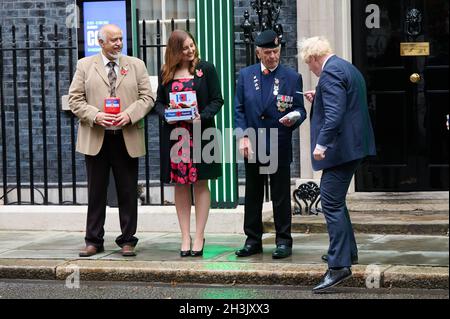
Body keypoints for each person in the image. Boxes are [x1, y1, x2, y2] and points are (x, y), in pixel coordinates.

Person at [69, 24, 154, 257]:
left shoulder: (136, 65)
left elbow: (148, 97)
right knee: (96, 192)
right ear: (101, 42)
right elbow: (75, 99)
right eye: (113, 40)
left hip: (126, 137)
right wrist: (96, 115)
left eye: (120, 39)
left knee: (128, 191)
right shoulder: (85, 65)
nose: (118, 43)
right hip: (97, 137)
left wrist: (130, 114)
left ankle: (127, 240)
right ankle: (93, 240)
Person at [299, 36, 376, 293]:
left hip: (341, 150)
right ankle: (347, 254)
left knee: (330, 202)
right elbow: (343, 101)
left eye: (309, 65)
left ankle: (339, 266)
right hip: (354, 147)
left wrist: (321, 145)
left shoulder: (329, 73)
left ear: (313, 58)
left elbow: (335, 113)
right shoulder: (345, 67)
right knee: (336, 202)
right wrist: (318, 95)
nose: (310, 69)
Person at [234, 30, 306, 259]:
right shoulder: (245, 75)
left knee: (281, 195)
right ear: (258, 53)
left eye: (276, 51)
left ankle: (284, 240)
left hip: (278, 142)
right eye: (268, 52)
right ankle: (252, 239)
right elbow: (239, 110)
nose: (273, 56)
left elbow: (300, 110)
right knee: (253, 193)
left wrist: (294, 118)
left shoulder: (292, 77)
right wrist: (242, 137)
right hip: (253, 143)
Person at [154, 30, 223, 257]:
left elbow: (217, 100)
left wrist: (201, 116)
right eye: (185, 48)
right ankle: (185, 235)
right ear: (175, 51)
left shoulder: (207, 69)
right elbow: (158, 103)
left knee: (201, 182)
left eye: (192, 45)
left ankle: (200, 235)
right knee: (180, 184)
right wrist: (167, 113)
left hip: (201, 133)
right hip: (176, 136)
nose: (190, 50)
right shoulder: (166, 71)